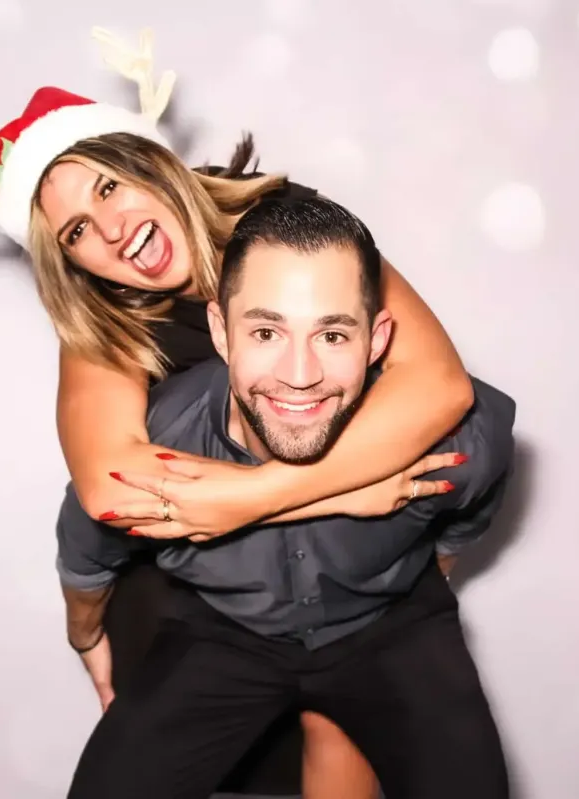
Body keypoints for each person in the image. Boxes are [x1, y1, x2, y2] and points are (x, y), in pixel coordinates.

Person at [0, 26, 485, 798]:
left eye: (108, 187)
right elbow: (110, 489)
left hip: (340, 574)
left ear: (150, 162)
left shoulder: (290, 225)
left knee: (350, 706)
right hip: (201, 589)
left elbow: (440, 386)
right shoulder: (108, 323)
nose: (109, 230)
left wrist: (259, 494)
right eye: (76, 231)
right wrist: (338, 489)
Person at [58, 193, 516, 799]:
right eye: (267, 331)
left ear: (377, 340)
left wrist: (428, 576)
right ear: (221, 333)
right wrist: (85, 634)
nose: (299, 375)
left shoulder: (455, 440)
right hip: (221, 632)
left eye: (332, 334)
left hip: (392, 624)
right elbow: (86, 555)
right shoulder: (155, 444)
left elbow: (472, 503)